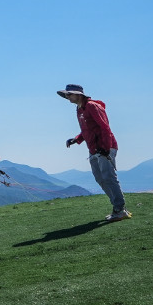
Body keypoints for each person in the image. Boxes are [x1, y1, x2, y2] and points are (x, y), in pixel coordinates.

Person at [59, 83, 131, 222]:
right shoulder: (79, 110)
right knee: (100, 178)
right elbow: (87, 129)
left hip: (105, 147)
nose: (67, 97)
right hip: (93, 149)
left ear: (78, 94)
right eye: (66, 95)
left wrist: (105, 147)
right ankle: (117, 208)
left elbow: (104, 127)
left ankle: (119, 209)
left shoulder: (92, 106)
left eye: (69, 94)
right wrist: (76, 139)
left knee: (109, 177)